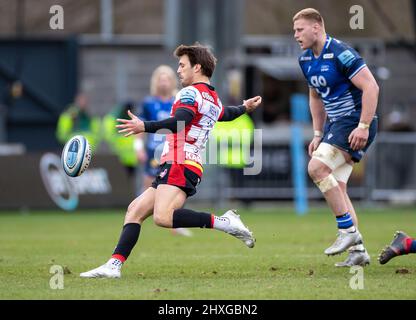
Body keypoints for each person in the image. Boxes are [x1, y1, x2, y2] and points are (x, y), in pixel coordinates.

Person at [80, 43, 262, 278]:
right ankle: (113, 266)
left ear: (197, 67)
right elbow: (225, 114)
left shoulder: (188, 93)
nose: (178, 70)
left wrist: (143, 126)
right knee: (135, 210)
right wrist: (244, 107)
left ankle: (224, 222)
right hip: (184, 163)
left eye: (182, 65)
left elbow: (180, 121)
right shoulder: (212, 98)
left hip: (179, 161)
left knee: (163, 217)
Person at [293, 8, 379, 267]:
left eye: (300, 29)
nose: (295, 35)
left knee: (316, 168)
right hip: (335, 126)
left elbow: (371, 86)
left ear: (317, 27)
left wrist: (363, 125)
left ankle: (348, 232)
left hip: (354, 122)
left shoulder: (341, 52)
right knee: (338, 188)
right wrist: (318, 133)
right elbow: (315, 97)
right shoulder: (306, 60)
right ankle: (359, 251)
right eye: (294, 30)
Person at [136, 64, 192, 237]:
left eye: (167, 79)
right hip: (154, 150)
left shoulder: (178, 100)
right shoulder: (148, 103)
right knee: (149, 185)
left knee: (175, 186)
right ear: (155, 82)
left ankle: (173, 222)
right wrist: (138, 148)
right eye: (160, 79)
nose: (164, 82)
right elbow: (139, 127)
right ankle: (139, 216)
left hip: (174, 150)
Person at [103, 101, 138, 178]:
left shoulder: (115, 117)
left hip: (130, 159)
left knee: (128, 181)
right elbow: (109, 135)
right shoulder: (114, 118)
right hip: (119, 157)